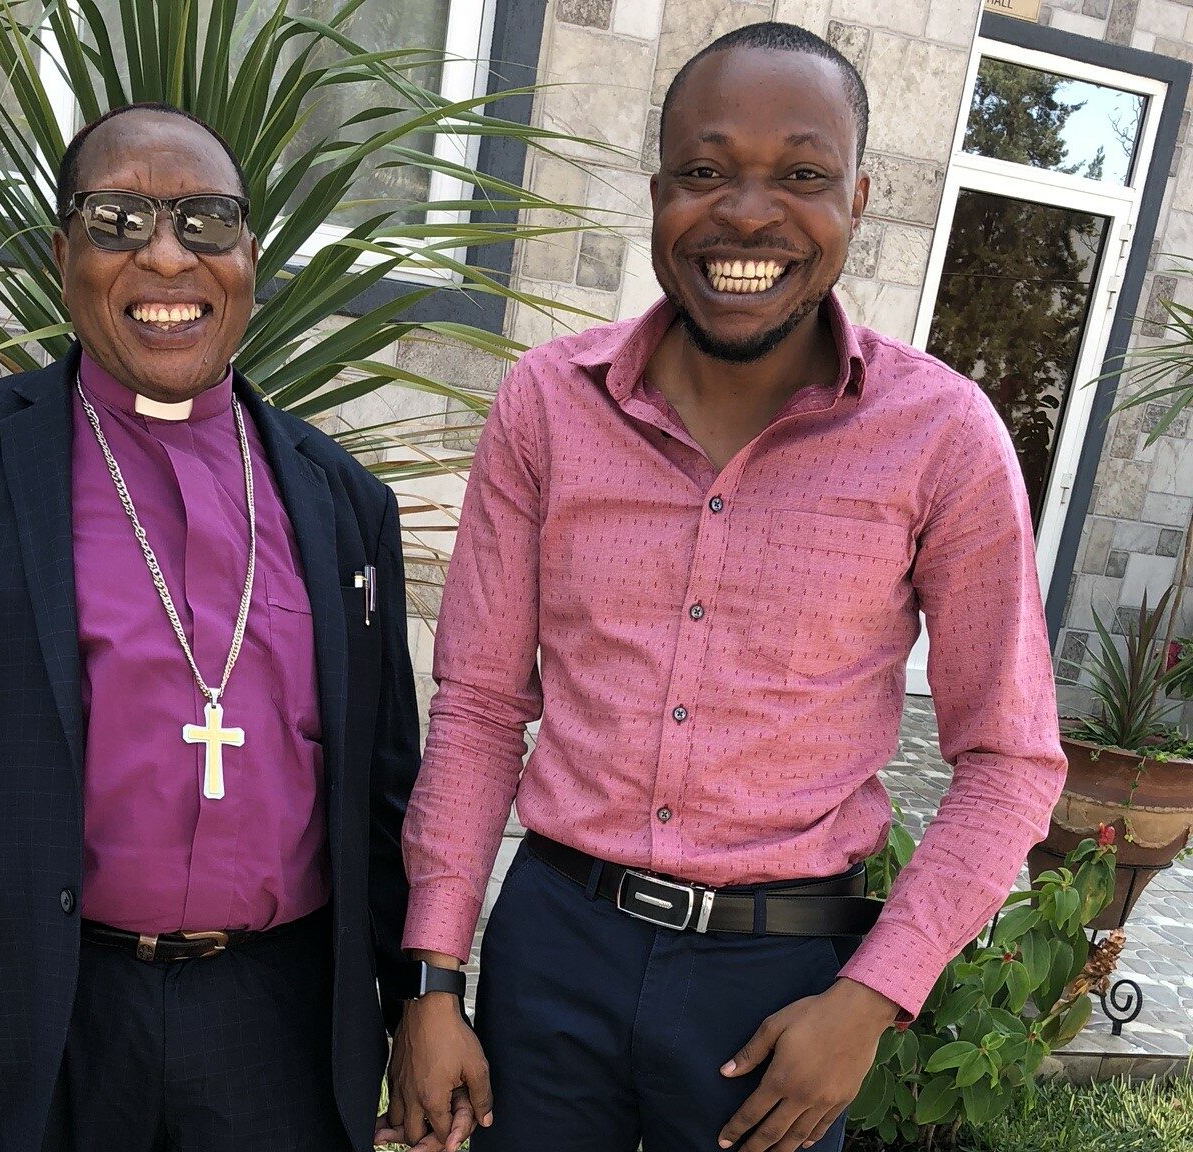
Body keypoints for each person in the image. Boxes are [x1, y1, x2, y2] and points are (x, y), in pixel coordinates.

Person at [382, 22, 1068, 1152]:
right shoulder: (548, 406)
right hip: (554, 950)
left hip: (781, 979)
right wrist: (434, 980)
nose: (747, 214)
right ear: (657, 193)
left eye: (800, 175)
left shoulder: (942, 439)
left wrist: (872, 997)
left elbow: (1010, 760)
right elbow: (479, 711)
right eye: (705, 172)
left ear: (857, 196)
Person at [0, 102, 421, 1152]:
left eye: (205, 220)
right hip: (39, 1019)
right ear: (63, 255)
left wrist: (421, 1005)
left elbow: (387, 801)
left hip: (276, 1025)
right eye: (118, 220)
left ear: (250, 254)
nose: (164, 255)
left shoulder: (344, 502)